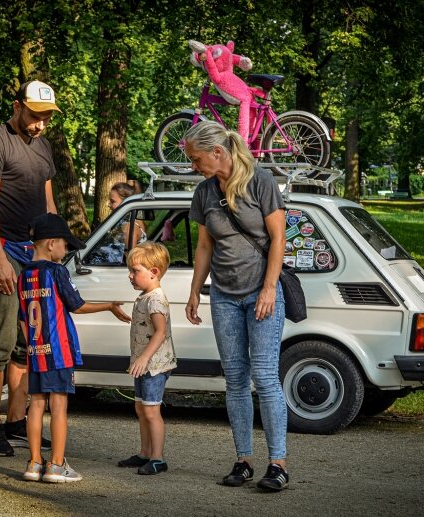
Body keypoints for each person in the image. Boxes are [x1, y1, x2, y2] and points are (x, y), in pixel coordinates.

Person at [183, 121, 290, 491]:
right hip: (224, 296)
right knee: (235, 380)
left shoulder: (259, 181)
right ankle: (243, 459)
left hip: (261, 293)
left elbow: (279, 239)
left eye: (196, 159)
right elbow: (204, 247)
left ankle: (278, 463)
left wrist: (269, 288)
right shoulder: (204, 192)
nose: (193, 166)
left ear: (217, 152)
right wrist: (196, 290)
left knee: (265, 376)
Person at [0, 79, 61, 456]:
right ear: (17, 106)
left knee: (29, 345)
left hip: (35, 254)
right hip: (5, 250)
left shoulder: (43, 147)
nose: (41, 123)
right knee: (1, 342)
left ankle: (16, 422)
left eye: (47, 117)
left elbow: (48, 205)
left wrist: (55, 252)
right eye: (35, 114)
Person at [17, 213, 131, 483]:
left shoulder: (24, 275)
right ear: (51, 243)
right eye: (65, 245)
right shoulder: (57, 272)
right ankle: (56, 465)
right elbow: (76, 305)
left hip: (36, 352)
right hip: (59, 352)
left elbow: (23, 320)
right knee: (58, 406)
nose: (66, 250)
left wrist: (33, 346)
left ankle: (34, 463)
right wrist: (109, 306)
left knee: (35, 405)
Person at [117, 242, 176, 475]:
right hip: (143, 364)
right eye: (130, 271)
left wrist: (143, 359)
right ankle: (144, 453)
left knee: (152, 410)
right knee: (141, 407)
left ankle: (158, 457)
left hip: (154, 365)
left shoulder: (155, 299)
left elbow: (160, 333)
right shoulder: (145, 296)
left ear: (154, 273)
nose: (130, 276)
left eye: (135, 271)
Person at [108, 181, 147, 248]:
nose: (108, 204)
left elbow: (129, 257)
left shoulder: (128, 227)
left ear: (125, 202)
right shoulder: (133, 220)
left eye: (112, 201)